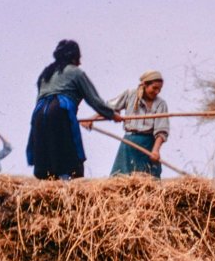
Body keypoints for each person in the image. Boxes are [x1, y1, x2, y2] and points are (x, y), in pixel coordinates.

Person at [26, 39, 120, 180]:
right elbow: (94, 99)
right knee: (69, 158)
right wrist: (112, 114)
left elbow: (40, 98)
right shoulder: (75, 72)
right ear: (73, 57)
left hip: (39, 114)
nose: (80, 62)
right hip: (60, 111)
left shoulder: (46, 74)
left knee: (47, 158)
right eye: (79, 58)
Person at [107, 71, 171, 178]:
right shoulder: (130, 95)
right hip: (129, 143)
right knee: (121, 179)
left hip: (147, 145)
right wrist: (92, 119)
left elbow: (161, 131)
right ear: (145, 85)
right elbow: (108, 108)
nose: (157, 92)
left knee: (148, 180)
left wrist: (155, 150)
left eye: (159, 89)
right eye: (154, 88)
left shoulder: (160, 104)